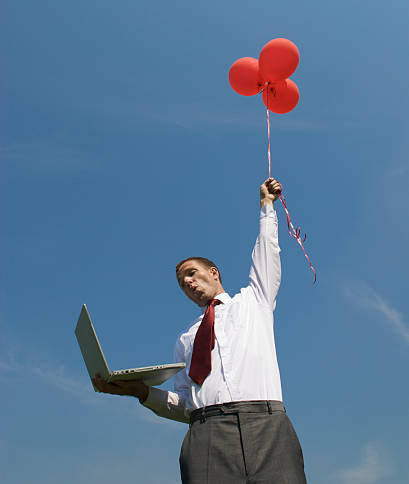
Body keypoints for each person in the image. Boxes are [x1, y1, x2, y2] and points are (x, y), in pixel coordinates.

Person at [93, 177, 307, 483]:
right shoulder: (186, 339)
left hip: (268, 425)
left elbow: (267, 252)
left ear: (213, 272)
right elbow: (185, 405)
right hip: (206, 433)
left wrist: (266, 205)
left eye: (191, 274)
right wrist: (141, 392)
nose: (188, 284)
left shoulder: (254, 300)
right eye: (182, 283)